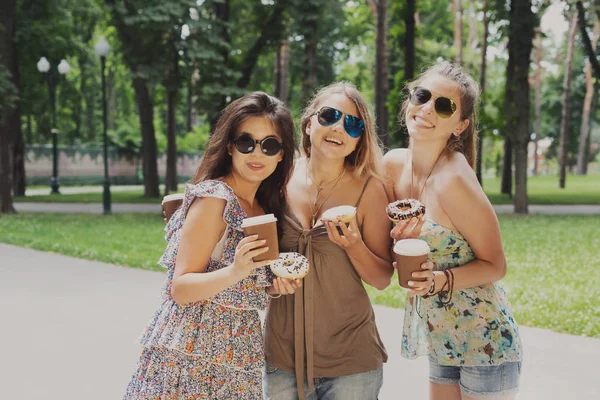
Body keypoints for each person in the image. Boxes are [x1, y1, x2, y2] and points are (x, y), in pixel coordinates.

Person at [123, 92, 302, 399]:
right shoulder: (214, 199)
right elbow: (181, 288)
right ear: (230, 146)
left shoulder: (263, 207)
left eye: (269, 144)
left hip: (238, 354)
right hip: (191, 353)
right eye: (247, 142)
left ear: (281, 154)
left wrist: (274, 285)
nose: (256, 154)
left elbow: (244, 284)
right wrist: (236, 270)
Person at [263, 82, 429, 400]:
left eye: (352, 124)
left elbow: (382, 279)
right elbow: (258, 261)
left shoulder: (368, 190)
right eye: (330, 116)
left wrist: (353, 244)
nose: (339, 127)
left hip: (351, 363)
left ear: (358, 141)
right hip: (283, 358)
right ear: (309, 123)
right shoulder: (276, 180)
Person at [383, 62, 523, 400]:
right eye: (423, 96)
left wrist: (437, 282)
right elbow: (393, 255)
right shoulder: (393, 166)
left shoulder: (454, 180)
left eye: (444, 106)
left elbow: (495, 265)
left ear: (459, 126)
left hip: (485, 340)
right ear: (409, 102)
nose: (428, 108)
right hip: (441, 335)